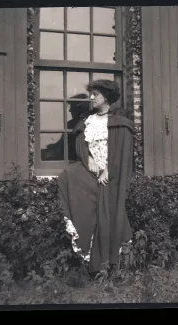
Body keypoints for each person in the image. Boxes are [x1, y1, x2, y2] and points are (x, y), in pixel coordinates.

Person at [57, 79, 134, 275]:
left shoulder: (119, 123)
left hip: (111, 174)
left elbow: (121, 151)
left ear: (106, 97)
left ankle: (110, 262)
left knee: (108, 210)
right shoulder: (88, 122)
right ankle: (92, 258)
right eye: (91, 93)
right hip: (92, 171)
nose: (92, 97)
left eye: (96, 94)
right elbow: (82, 145)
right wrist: (89, 159)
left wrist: (108, 170)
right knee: (68, 176)